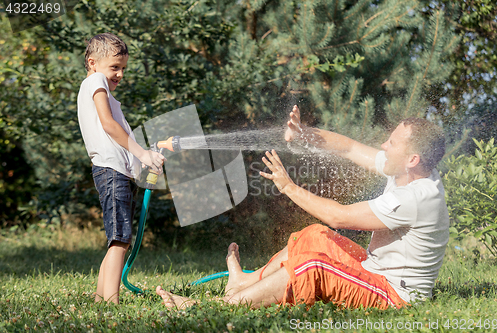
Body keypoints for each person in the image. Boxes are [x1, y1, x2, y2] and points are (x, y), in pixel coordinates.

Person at [156, 104, 449, 310]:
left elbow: (339, 216)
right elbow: (348, 147)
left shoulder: (415, 197)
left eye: (393, 142)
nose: (384, 146)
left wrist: (288, 187)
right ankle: (245, 281)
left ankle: (218, 306)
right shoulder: (404, 169)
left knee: (313, 266)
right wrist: (303, 135)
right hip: (374, 270)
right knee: (314, 236)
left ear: (413, 159)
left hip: (395, 294)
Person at [78, 33, 165, 304]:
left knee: (120, 239)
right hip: (110, 171)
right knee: (119, 238)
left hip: (117, 172)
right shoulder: (95, 82)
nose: (120, 74)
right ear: (93, 63)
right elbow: (108, 125)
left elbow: (117, 134)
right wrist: (142, 153)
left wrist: (143, 162)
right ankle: (112, 304)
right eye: (114, 67)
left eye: (123, 68)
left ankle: (100, 298)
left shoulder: (100, 86)